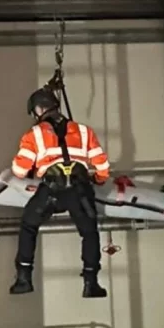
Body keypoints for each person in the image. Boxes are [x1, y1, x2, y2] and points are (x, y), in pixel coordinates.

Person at [9, 87, 111, 298]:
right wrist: (98, 180)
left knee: (29, 225)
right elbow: (102, 164)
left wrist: (33, 169)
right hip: (80, 192)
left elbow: (19, 171)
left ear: (38, 110)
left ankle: (23, 279)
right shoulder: (84, 131)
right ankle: (91, 283)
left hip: (51, 192)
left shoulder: (34, 134)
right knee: (89, 232)